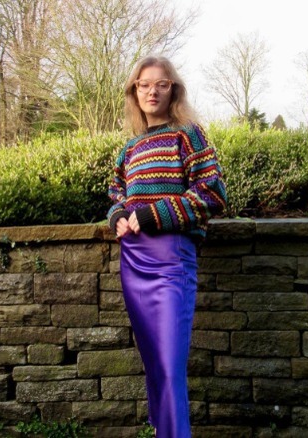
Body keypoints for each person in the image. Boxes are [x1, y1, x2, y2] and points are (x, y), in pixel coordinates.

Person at [107, 55, 227, 438]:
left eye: (160, 84)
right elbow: (115, 193)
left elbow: (212, 193)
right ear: (134, 91)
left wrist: (153, 215)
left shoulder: (188, 134)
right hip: (134, 261)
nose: (151, 91)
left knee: (171, 366)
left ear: (173, 88)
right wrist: (120, 216)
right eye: (143, 85)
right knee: (155, 365)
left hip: (172, 259)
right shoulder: (129, 149)